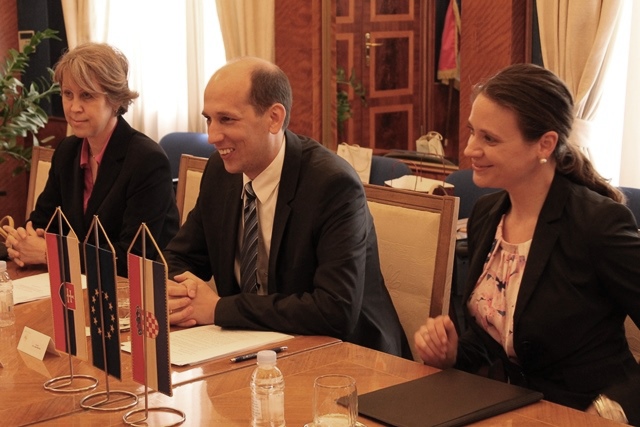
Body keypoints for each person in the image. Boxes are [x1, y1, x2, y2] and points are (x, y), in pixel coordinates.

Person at [414, 63, 640, 425]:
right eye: (472, 132)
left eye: (490, 139)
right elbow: (501, 338)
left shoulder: (597, 224)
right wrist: (452, 353)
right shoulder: (487, 214)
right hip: (512, 411)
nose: (470, 148)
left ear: (545, 144)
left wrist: (612, 408)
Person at [164, 56, 411, 359]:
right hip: (250, 348)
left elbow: (335, 310)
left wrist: (219, 309)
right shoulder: (221, 172)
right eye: (209, 119)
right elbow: (178, 259)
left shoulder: (332, 185)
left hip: (351, 359)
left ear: (274, 118)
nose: (213, 136)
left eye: (226, 119)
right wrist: (185, 295)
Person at [2, 43, 179, 277]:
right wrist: (21, 242)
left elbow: (132, 258)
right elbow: (41, 223)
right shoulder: (67, 151)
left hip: (143, 288)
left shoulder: (147, 160)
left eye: (87, 95)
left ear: (115, 99)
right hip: (88, 282)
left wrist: (50, 253)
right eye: (68, 94)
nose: (74, 107)